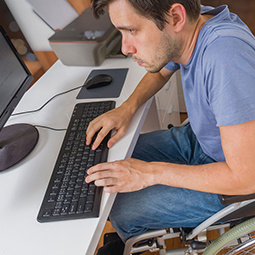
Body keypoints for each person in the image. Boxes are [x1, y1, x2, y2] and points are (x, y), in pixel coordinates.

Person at [85, 0, 255, 253]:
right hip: (206, 142)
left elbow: (246, 179)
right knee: (109, 157)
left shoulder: (225, 58)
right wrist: (126, 109)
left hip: (238, 181)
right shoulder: (194, 24)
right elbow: (162, 70)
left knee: (120, 209)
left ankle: (129, 241)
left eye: (132, 30)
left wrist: (150, 173)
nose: (125, 48)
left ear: (176, 17)